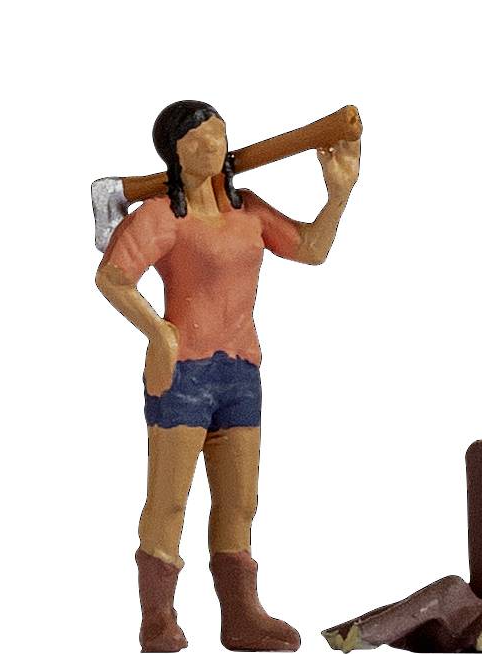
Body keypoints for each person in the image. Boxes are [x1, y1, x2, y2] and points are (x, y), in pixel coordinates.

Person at [96, 101, 357, 652]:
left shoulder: (248, 211)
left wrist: (339, 195)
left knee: (240, 502)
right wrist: (158, 332)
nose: (211, 146)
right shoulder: (160, 218)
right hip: (184, 372)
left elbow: (312, 249)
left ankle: (241, 615)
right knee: (169, 499)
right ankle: (157, 617)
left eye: (218, 135)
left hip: (240, 370)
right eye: (195, 140)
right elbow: (113, 277)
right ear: (173, 153)